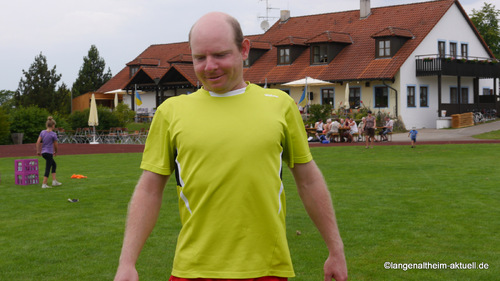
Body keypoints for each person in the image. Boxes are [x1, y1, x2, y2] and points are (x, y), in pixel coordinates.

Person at [114, 12, 347, 281]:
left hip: (267, 269)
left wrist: (335, 248)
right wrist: (127, 262)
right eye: (199, 58)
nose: (209, 66)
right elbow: (149, 189)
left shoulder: (279, 105)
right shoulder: (171, 112)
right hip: (194, 271)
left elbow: (308, 181)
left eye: (220, 55)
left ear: (244, 49)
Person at [36, 116, 62, 189]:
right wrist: (56, 151)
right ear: (53, 125)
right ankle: (44, 184)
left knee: (54, 164)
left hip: (44, 152)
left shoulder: (42, 132)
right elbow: (56, 144)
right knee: (48, 167)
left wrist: (38, 151)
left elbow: (38, 142)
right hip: (49, 152)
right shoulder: (53, 134)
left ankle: (54, 181)